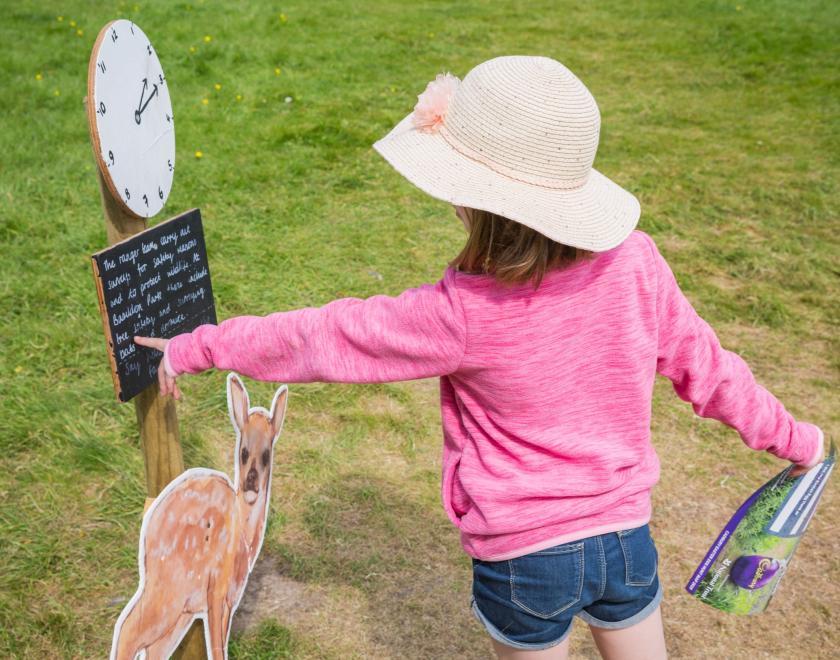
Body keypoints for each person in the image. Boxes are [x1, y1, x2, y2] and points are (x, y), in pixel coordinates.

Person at [135, 56, 825, 659]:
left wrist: (202, 345)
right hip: (626, 544)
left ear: (473, 202)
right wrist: (797, 439)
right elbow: (711, 369)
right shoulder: (637, 265)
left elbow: (324, 336)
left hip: (525, 563)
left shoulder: (461, 312)